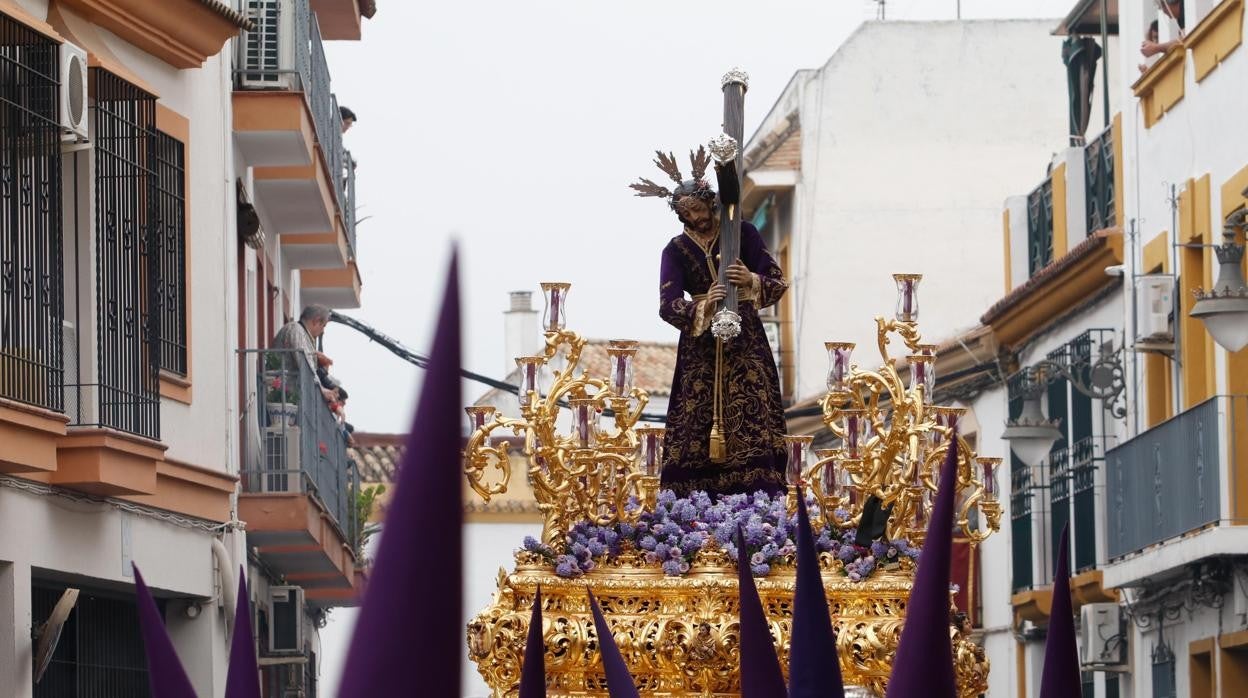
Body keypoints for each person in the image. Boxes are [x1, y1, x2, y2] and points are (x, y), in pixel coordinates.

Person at [632, 149, 789, 497]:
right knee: (695, 417)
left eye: (698, 210)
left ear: (711, 203)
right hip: (700, 348)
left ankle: (760, 495)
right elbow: (667, 305)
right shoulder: (674, 250)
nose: (695, 218)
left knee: (754, 410)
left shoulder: (742, 234)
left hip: (745, 340)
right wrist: (702, 305)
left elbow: (777, 281)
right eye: (686, 213)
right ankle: (692, 504)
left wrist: (749, 279)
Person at [274, 305, 337, 403]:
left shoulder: (301, 332)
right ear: (316, 321)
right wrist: (322, 390)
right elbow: (305, 365)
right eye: (323, 325)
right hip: (281, 399)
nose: (323, 331)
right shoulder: (296, 329)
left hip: (288, 399)